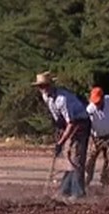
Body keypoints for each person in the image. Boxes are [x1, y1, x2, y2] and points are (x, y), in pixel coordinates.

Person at [32, 72, 91, 201]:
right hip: (67, 124)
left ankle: (78, 193)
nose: (43, 89)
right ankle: (65, 189)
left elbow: (72, 122)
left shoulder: (62, 99)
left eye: (45, 86)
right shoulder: (46, 97)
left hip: (80, 124)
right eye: (40, 86)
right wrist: (59, 135)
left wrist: (62, 141)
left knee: (76, 157)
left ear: (51, 85)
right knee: (67, 156)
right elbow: (58, 119)